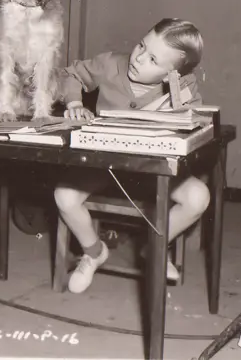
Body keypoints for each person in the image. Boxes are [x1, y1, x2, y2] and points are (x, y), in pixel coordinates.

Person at [54, 18, 208, 294]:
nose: (138, 58)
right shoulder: (112, 63)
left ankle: (155, 248)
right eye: (141, 45)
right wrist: (75, 102)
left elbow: (194, 123)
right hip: (105, 165)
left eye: (152, 59)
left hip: (154, 170)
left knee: (198, 197)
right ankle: (93, 252)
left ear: (170, 75)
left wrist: (178, 107)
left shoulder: (183, 86)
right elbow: (69, 73)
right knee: (64, 195)